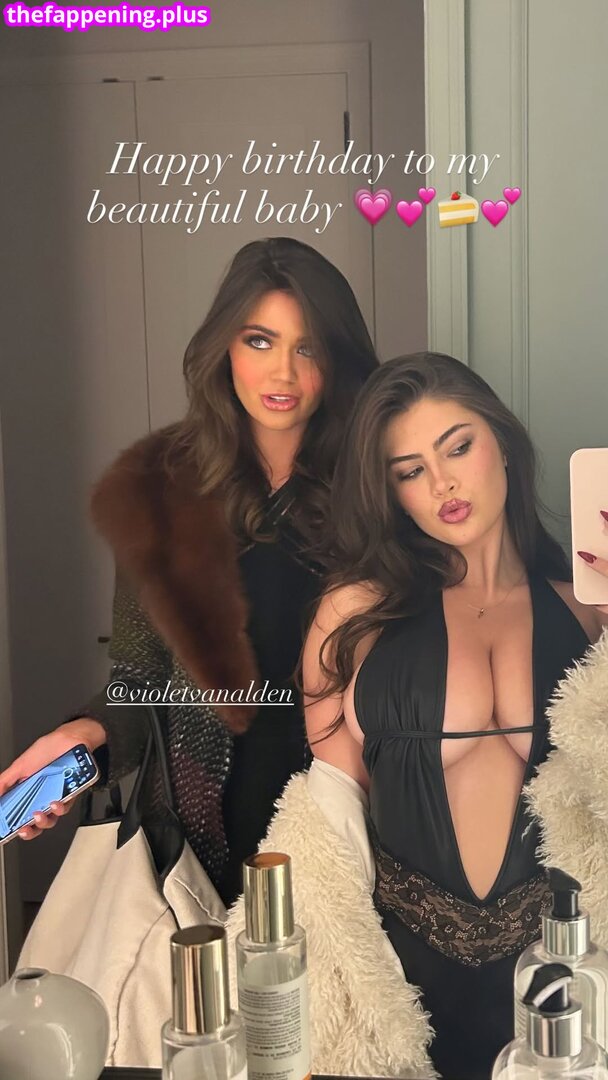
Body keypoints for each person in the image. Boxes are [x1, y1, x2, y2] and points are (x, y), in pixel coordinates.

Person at [225, 352, 608, 1080]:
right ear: (392, 492)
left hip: (562, 973)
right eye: (409, 470)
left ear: (503, 444)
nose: (442, 484)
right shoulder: (354, 616)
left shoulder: (587, 613)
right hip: (404, 977)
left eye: (458, 447)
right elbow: (331, 813)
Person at [0, 236, 378, 908]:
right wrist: (82, 738)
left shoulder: (377, 489)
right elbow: (141, 679)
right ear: (224, 347)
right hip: (198, 844)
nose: (283, 373)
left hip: (350, 826)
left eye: (309, 348)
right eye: (260, 341)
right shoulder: (159, 491)